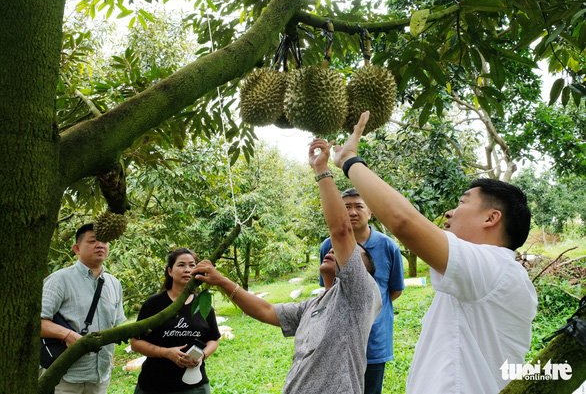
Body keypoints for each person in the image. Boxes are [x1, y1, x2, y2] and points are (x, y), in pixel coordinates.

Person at [333, 111, 538, 394]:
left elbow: (403, 222)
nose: (449, 211)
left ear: (491, 218)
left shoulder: (495, 267)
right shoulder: (488, 274)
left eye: (462, 202)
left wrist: (350, 161)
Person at [192, 138, 382, 393]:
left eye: (348, 253)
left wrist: (321, 170)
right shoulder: (313, 304)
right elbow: (267, 311)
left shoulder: (360, 294)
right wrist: (220, 281)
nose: (335, 251)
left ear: (358, 271)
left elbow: (341, 230)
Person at [319, 187, 404, 394]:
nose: (352, 212)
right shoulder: (328, 245)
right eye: (346, 207)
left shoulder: (388, 247)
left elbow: (393, 290)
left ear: (370, 211)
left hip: (374, 341)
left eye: (359, 206)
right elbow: (327, 289)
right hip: (337, 339)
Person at [40, 223, 126, 394]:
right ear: (76, 248)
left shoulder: (114, 283)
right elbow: (37, 321)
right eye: (93, 241)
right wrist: (67, 335)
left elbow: (116, 325)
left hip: (100, 377)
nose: (100, 245)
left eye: (104, 241)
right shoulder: (59, 280)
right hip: (65, 377)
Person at [131, 248, 221, 394]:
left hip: (194, 386)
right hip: (155, 385)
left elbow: (213, 339)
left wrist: (202, 355)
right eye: (181, 265)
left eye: (192, 265)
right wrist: (165, 352)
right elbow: (135, 343)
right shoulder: (154, 304)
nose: (187, 269)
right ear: (170, 271)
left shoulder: (203, 304)